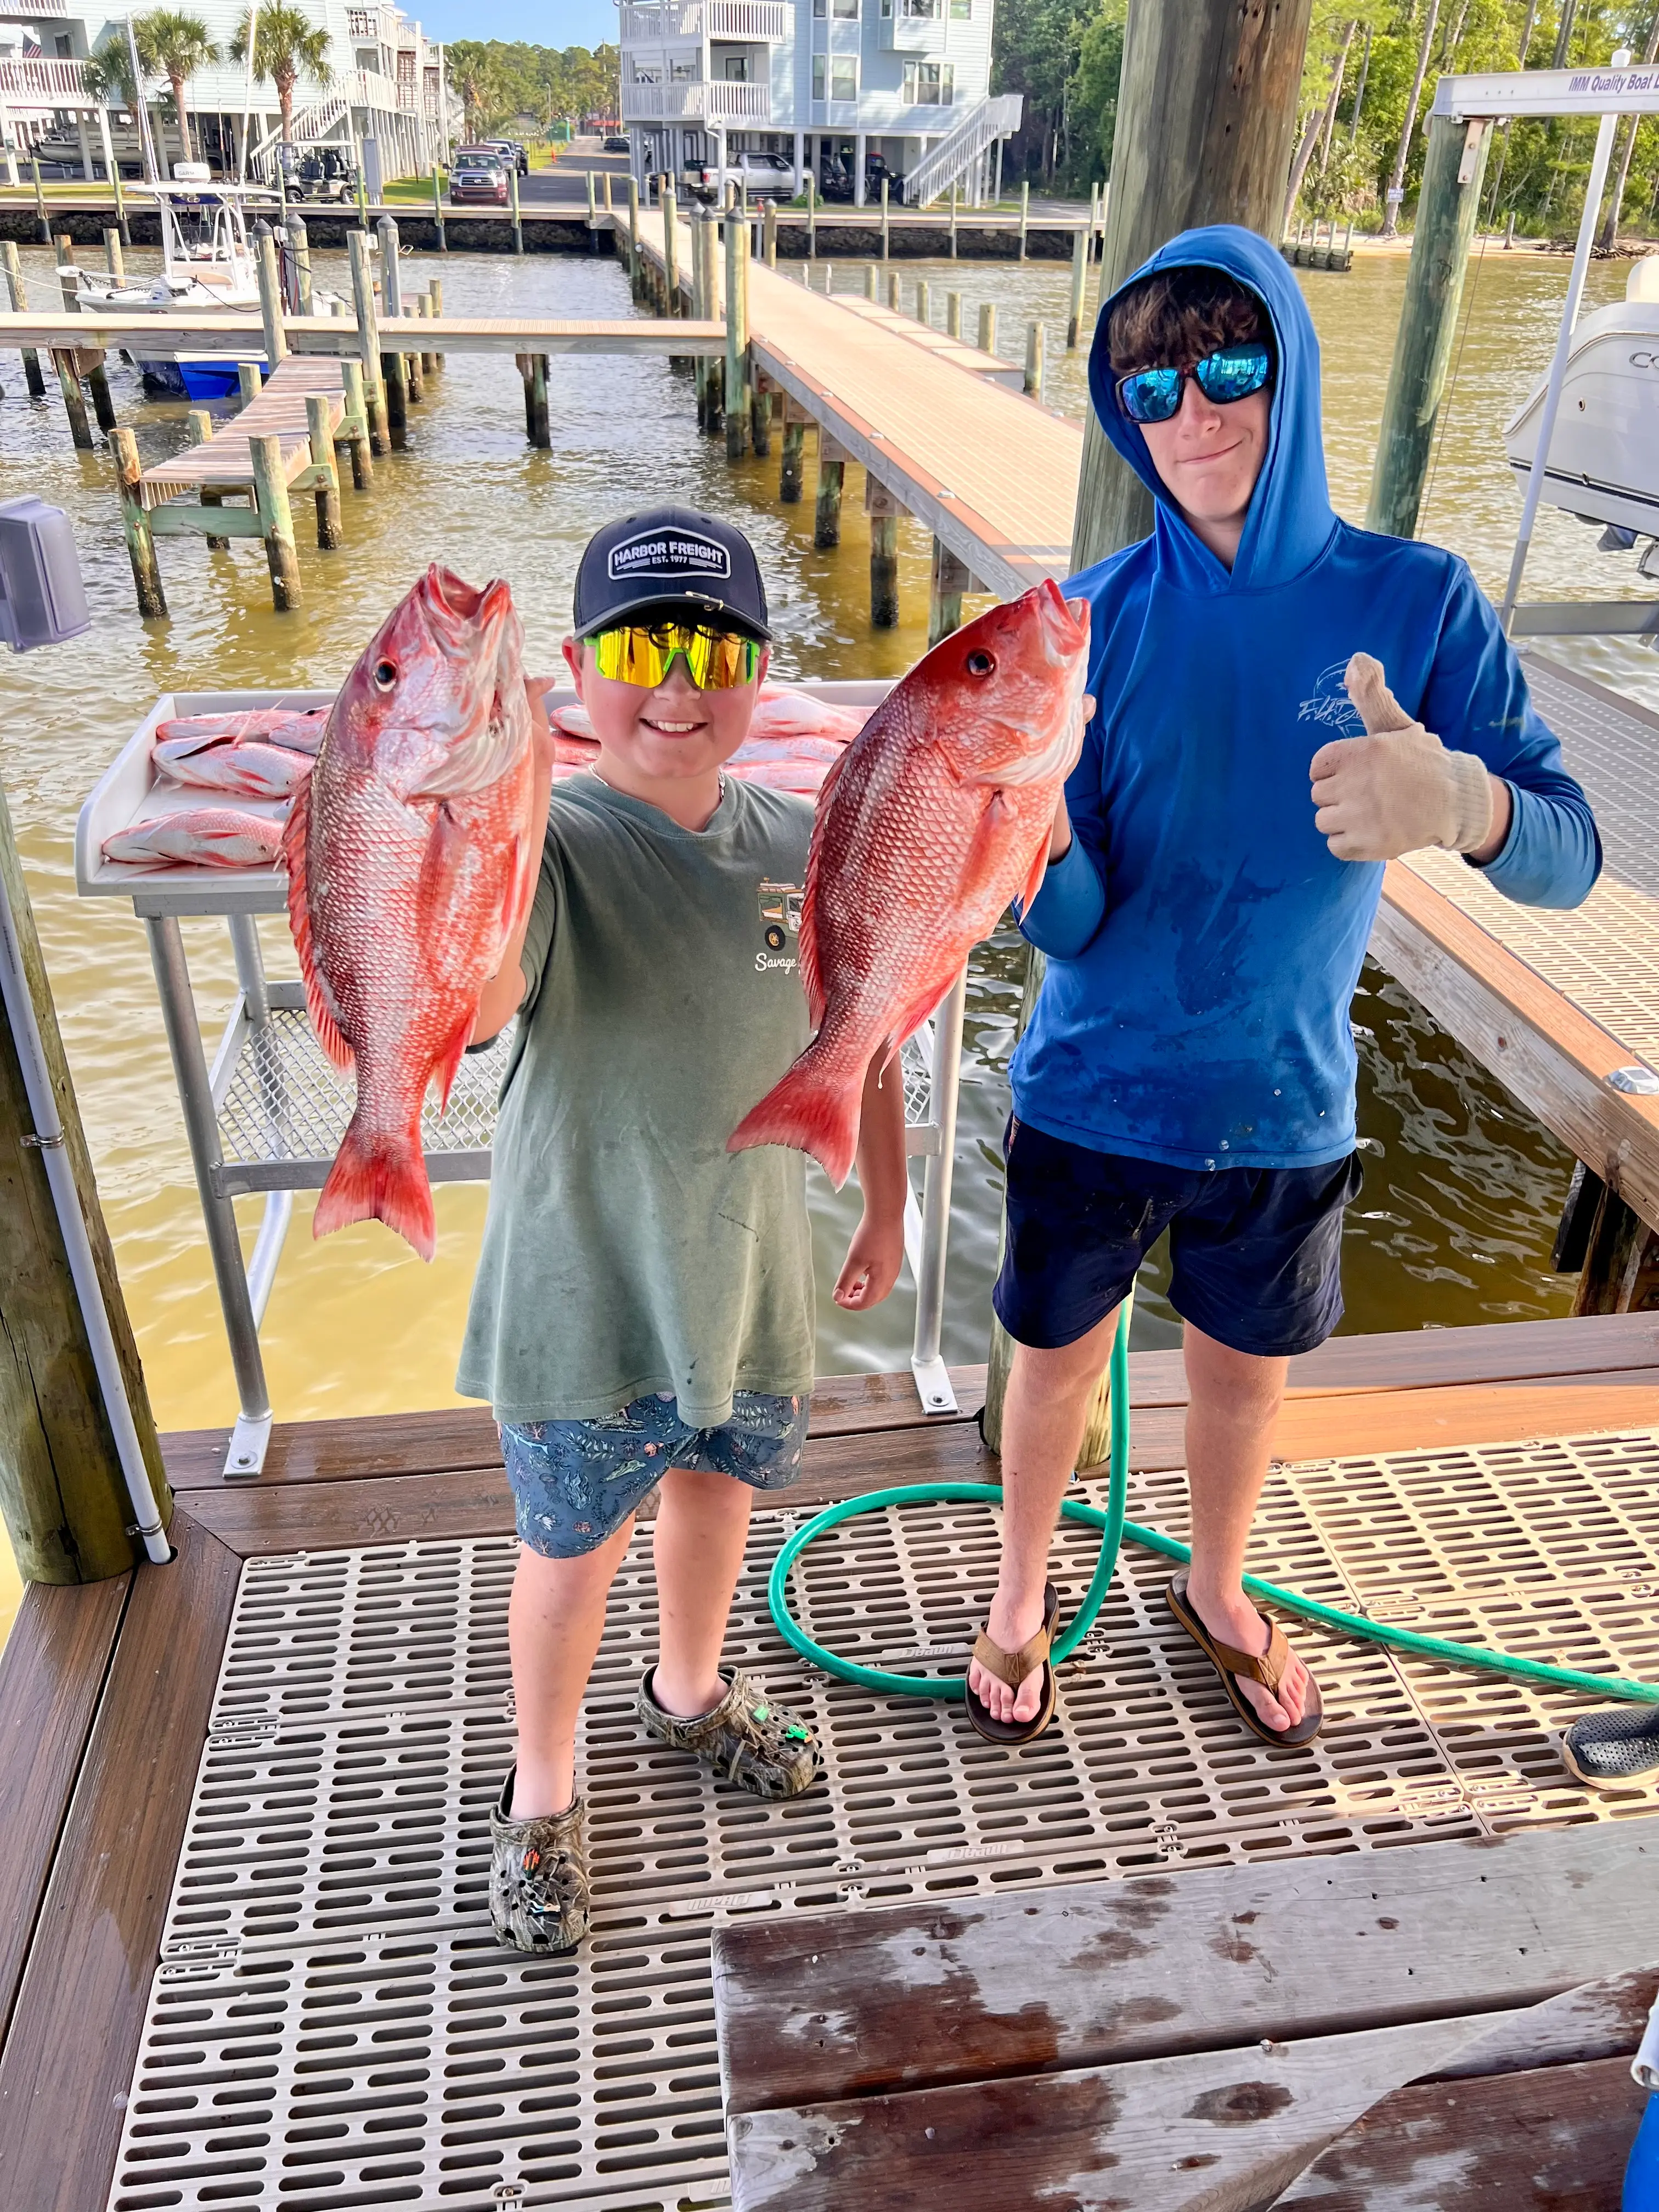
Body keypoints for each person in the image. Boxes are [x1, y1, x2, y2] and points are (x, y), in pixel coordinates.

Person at [963, 226, 1601, 1748]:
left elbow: (1572, 856)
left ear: (1294, 370)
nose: (1196, 413)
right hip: (1092, 1088)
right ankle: (1017, 1586)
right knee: (1052, 1368)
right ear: (1124, 412)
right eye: (1155, 385)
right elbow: (1080, 912)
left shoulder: (1420, 603)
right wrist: (1029, 857)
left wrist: (1465, 806)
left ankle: (1219, 1580)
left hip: (1287, 1104)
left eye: (1231, 366)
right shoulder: (1086, 622)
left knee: (1245, 1383)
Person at [459, 506, 908, 1950]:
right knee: (571, 1540)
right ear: (578, 671)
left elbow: (874, 1027)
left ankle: (691, 1686)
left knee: (719, 1491)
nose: (678, 682)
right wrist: (461, 822)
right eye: (645, 645)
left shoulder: (802, 840)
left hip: (751, 1274)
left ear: (761, 667)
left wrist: (889, 1200)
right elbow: (469, 1003)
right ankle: (542, 1783)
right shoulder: (551, 847)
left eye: (714, 646)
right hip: (585, 1286)